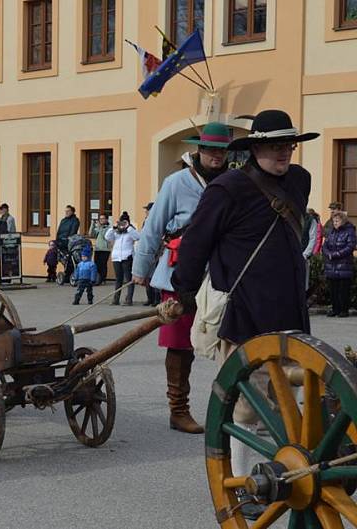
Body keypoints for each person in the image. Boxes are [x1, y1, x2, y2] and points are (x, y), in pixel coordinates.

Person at [172, 109, 319, 519]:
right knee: (247, 405)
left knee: (291, 398)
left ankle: (293, 472)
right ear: (254, 148)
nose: (283, 153)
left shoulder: (300, 181)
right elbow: (196, 242)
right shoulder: (227, 189)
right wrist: (183, 291)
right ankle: (244, 485)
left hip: (290, 308)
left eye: (288, 145)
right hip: (246, 310)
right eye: (274, 146)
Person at [133, 123, 231, 434]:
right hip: (178, 272)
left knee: (230, 340)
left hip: (221, 273)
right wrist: (141, 269)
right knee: (179, 345)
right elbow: (153, 226)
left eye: (222, 149)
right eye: (210, 149)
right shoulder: (176, 182)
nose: (216, 155)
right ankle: (178, 409)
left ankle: (235, 409)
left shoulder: (234, 181)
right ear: (199, 150)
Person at [322, 211, 356, 317]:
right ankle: (335, 309)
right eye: (334, 221)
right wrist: (328, 254)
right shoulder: (331, 232)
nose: (335, 223)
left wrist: (336, 254)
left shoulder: (349, 231)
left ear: (343, 221)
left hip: (344, 265)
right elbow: (325, 246)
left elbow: (350, 246)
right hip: (331, 265)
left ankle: (343, 310)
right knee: (333, 290)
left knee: (343, 290)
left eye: (337, 221)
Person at [105, 215, 139, 305]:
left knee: (129, 279)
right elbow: (107, 237)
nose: (122, 225)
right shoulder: (116, 232)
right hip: (116, 258)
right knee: (118, 279)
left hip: (127, 257)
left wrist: (128, 228)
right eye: (121, 222)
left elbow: (137, 237)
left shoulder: (131, 231)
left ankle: (129, 299)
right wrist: (113, 227)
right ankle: (116, 299)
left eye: (124, 222)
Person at [56, 205, 80, 283]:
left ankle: (70, 274)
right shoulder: (63, 220)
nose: (66, 212)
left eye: (68, 211)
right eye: (65, 211)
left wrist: (68, 239)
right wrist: (57, 240)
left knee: (71, 259)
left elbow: (73, 231)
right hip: (60, 242)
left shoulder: (75, 220)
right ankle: (66, 274)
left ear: (72, 212)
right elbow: (59, 231)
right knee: (64, 258)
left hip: (69, 242)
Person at [89, 214, 111, 283]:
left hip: (105, 249)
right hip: (98, 248)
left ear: (106, 220)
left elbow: (105, 236)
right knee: (96, 264)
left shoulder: (108, 228)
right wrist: (92, 225)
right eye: (100, 219)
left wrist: (100, 228)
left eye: (103, 218)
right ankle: (97, 278)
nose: (101, 220)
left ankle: (103, 278)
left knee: (103, 264)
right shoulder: (98, 228)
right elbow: (91, 234)